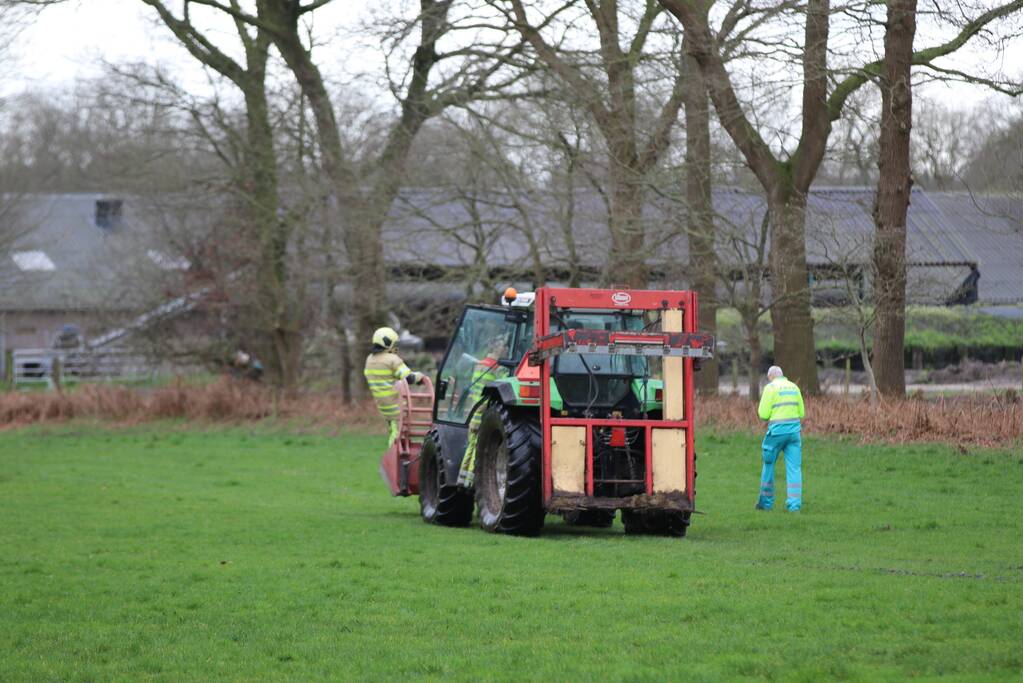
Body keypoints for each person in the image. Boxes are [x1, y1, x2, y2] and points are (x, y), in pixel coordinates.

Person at [456, 337, 510, 488]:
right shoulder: (496, 368)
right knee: (478, 449)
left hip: (473, 413)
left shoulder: (480, 364)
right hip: (482, 415)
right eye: (504, 346)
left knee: (471, 446)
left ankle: (463, 480)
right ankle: (473, 483)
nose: (506, 349)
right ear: (495, 348)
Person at [756, 365, 805, 511]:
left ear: (771, 377)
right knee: (794, 468)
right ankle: (794, 505)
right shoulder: (794, 387)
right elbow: (801, 413)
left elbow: (763, 414)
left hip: (776, 433)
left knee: (769, 464)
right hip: (794, 433)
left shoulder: (770, 388)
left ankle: (765, 503)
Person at [364, 327, 423, 446]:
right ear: (388, 343)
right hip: (396, 405)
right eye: (394, 343)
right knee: (397, 433)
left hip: (382, 405)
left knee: (394, 428)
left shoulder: (370, 359)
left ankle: (398, 453)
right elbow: (409, 378)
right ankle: (394, 456)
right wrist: (420, 376)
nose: (396, 347)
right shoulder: (392, 359)